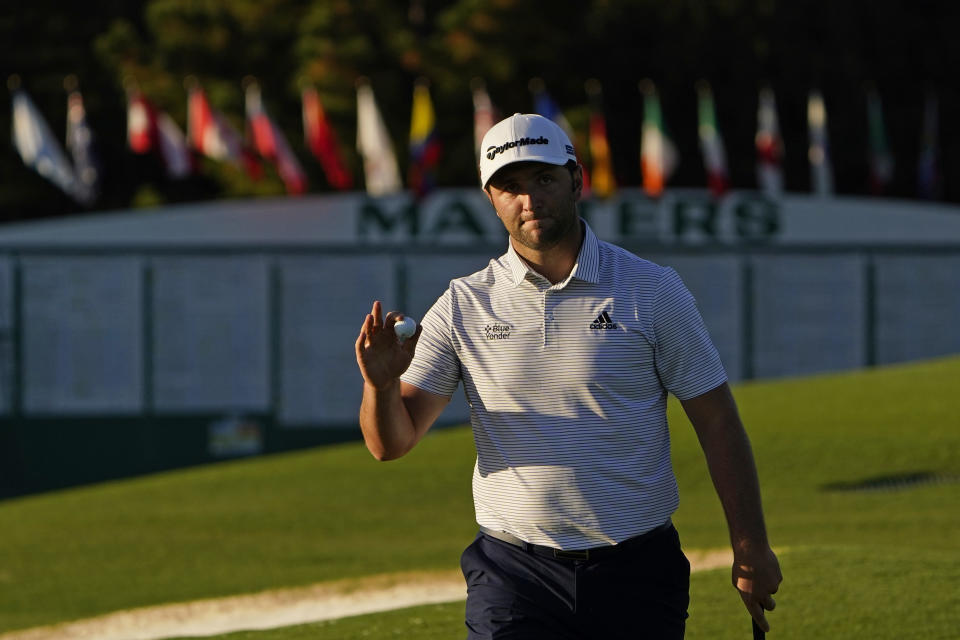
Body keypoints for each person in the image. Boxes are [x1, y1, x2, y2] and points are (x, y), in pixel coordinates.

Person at [355, 113, 782, 639]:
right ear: (491, 199)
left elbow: (717, 420)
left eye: (543, 180)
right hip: (514, 573)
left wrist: (750, 546)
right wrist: (379, 386)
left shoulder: (652, 291)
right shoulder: (462, 305)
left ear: (576, 180)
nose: (529, 200)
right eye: (510, 187)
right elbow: (390, 444)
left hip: (636, 566)